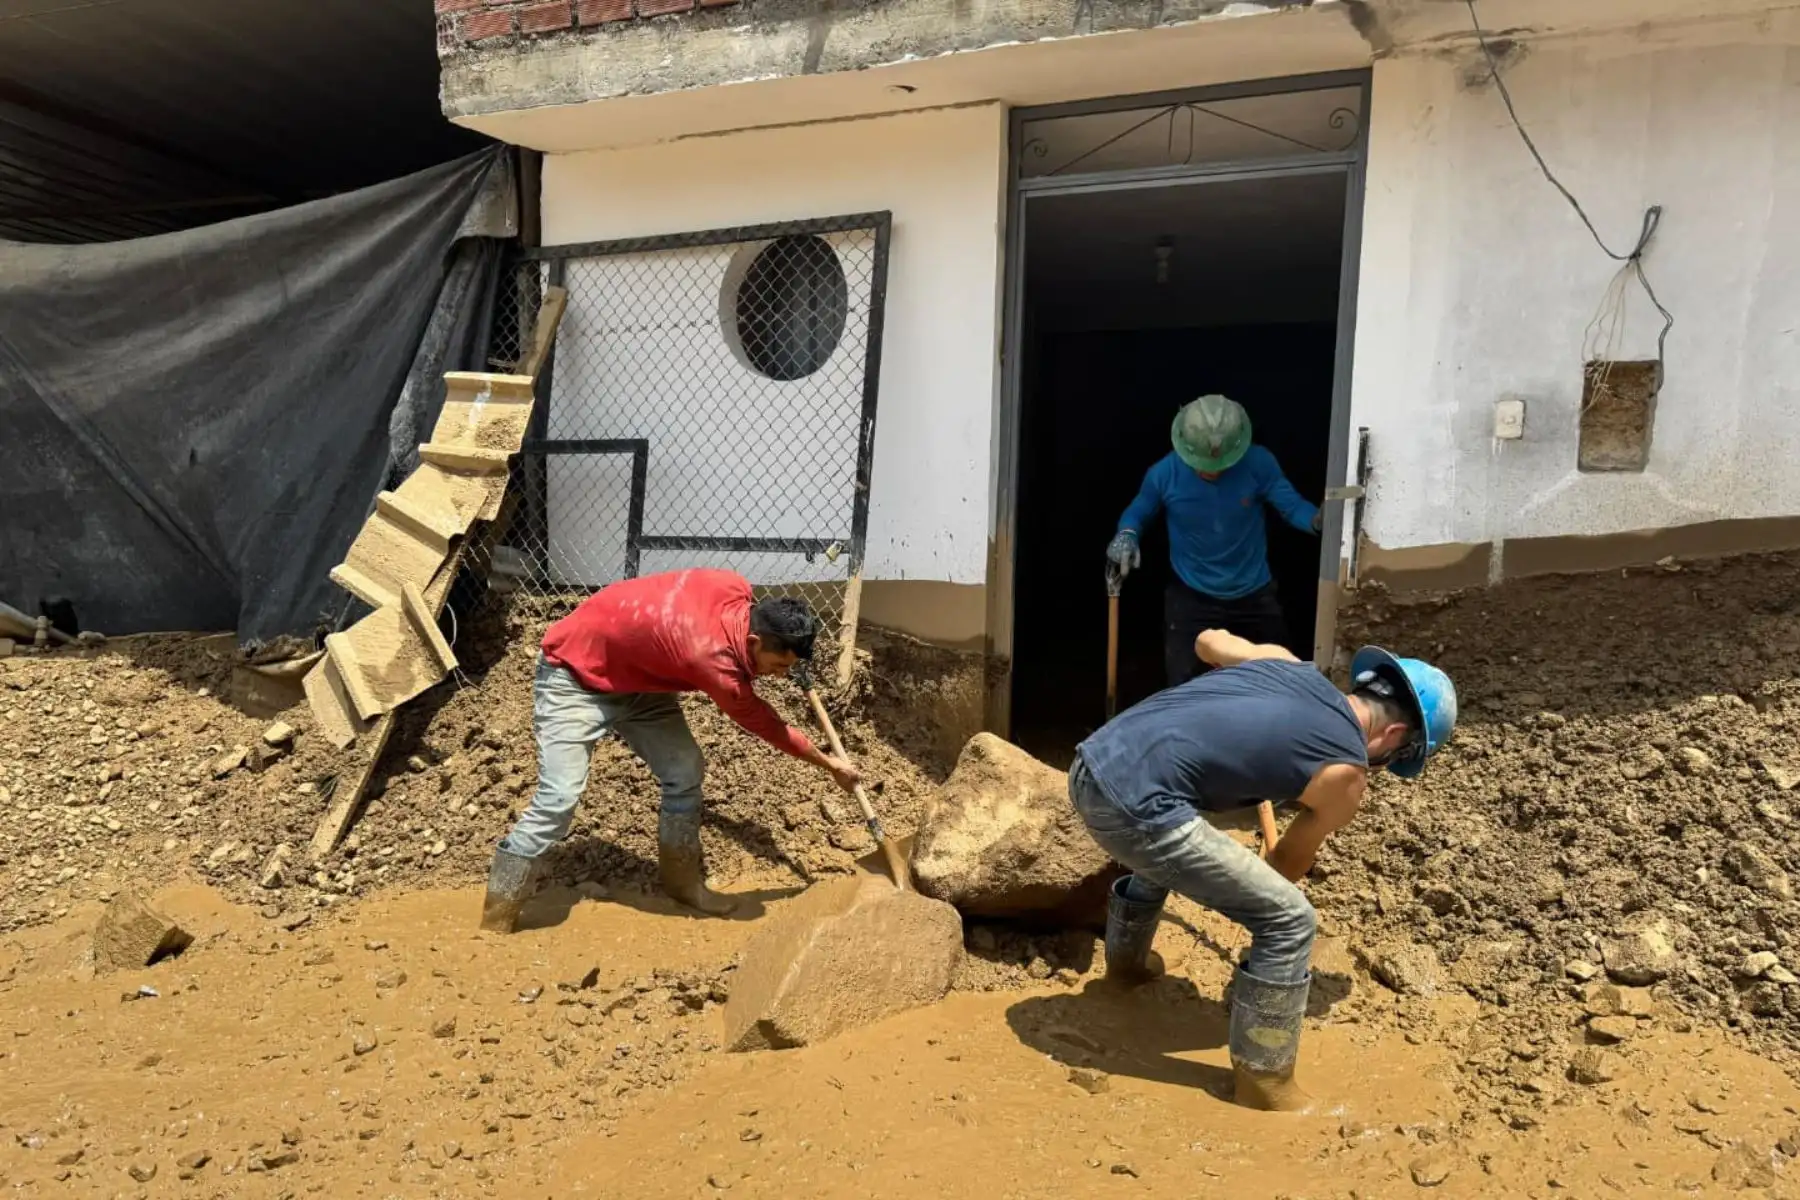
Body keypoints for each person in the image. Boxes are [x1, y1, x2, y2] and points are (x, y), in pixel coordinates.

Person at [1068, 629, 1456, 1112]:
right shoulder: (1347, 775)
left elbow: (1208, 641)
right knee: (1291, 921)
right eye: (1392, 760)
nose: (1380, 767)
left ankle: (1126, 973)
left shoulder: (1285, 662)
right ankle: (1265, 1083)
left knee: (1180, 832)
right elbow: (1284, 869)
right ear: (1393, 737)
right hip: (1134, 810)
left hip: (1091, 763)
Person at [479, 568, 861, 933]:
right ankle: (498, 911)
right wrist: (829, 765)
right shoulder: (711, 661)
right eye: (778, 665)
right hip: (575, 676)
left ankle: (683, 886)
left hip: (639, 679)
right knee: (558, 798)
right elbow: (769, 726)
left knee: (684, 769)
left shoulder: (735, 588)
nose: (781, 675)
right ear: (754, 642)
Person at [1106, 394, 1321, 687]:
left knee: (1279, 681)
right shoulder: (1163, 474)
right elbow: (1138, 512)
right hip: (1192, 596)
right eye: (1202, 461)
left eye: (1220, 462)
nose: (1210, 469)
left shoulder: (1259, 463)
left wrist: (1320, 522)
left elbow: (1292, 506)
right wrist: (1126, 534)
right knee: (1185, 688)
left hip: (1254, 594)